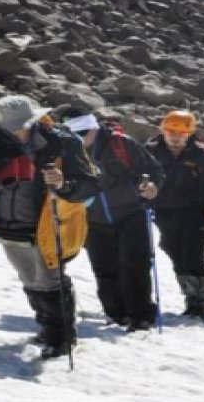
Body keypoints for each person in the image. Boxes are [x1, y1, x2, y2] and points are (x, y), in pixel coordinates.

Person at [0, 96, 98, 359]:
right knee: (29, 279)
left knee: (49, 280)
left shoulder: (62, 142)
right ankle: (48, 329)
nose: (14, 133)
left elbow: (89, 186)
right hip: (5, 224)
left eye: (19, 127)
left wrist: (63, 183)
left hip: (48, 224)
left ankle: (62, 338)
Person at [57, 107, 163, 331]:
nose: (82, 138)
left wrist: (153, 185)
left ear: (94, 126)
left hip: (131, 212)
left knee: (136, 265)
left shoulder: (121, 144)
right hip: (92, 217)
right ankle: (116, 313)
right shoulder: (65, 149)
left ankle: (141, 315)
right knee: (104, 268)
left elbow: (154, 169)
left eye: (85, 131)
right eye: (77, 133)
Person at [145, 111, 204, 321]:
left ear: (190, 133)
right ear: (162, 131)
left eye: (182, 133)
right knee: (173, 250)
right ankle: (190, 297)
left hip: (198, 212)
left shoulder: (203, 156)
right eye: (171, 132)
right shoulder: (150, 151)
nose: (176, 137)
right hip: (164, 211)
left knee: (192, 254)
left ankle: (200, 303)